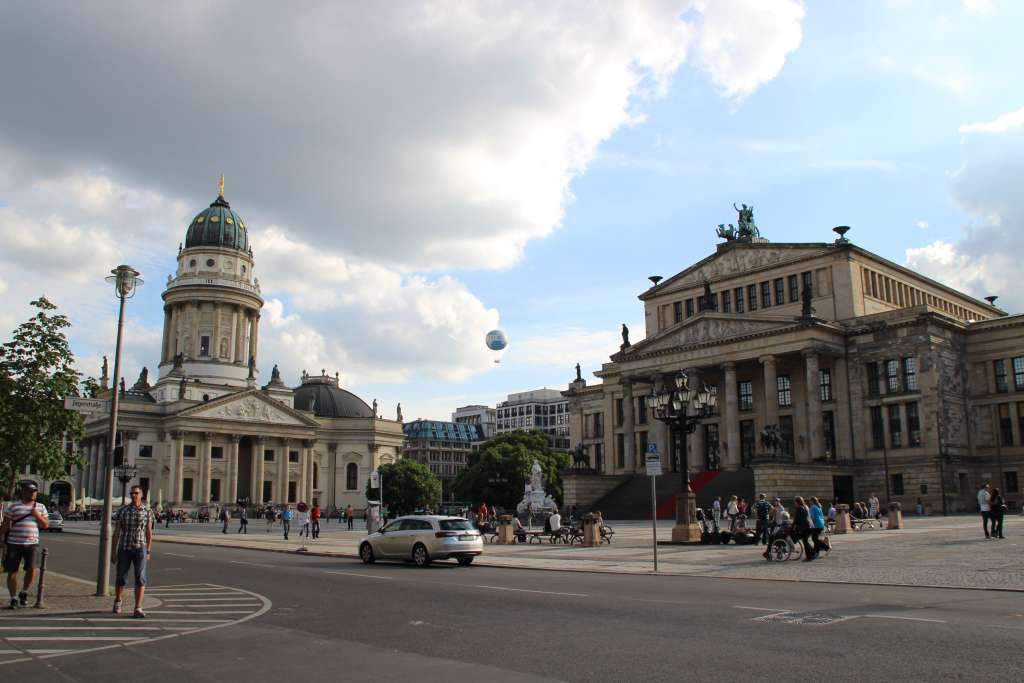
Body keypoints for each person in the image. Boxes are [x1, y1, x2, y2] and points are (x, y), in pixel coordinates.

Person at [2, 482, 48, 609]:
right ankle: (13, 598)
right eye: (29, 491)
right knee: (12, 571)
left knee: (32, 569)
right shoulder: (13, 507)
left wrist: (36, 515)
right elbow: (5, 524)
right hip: (13, 543)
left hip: (32, 543)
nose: (32, 493)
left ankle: (24, 592)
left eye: (34, 491)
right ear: (23, 492)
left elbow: (45, 525)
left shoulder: (41, 507)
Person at [111, 485, 155, 618]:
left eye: (136, 493)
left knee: (141, 578)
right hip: (124, 547)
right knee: (121, 577)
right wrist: (113, 551)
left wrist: (148, 550)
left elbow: (149, 533)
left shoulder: (147, 511)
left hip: (140, 547)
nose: (133, 495)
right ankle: (118, 601)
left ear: (141, 495)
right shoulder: (123, 510)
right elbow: (117, 532)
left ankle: (138, 607)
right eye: (132, 493)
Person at [792, 496, 814, 561]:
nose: (794, 503)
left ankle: (809, 556)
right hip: (809, 526)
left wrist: (792, 526)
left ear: (797, 502)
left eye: (795, 502)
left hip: (804, 527)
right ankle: (812, 553)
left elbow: (797, 519)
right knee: (806, 541)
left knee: (805, 542)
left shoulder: (799, 508)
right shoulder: (805, 506)